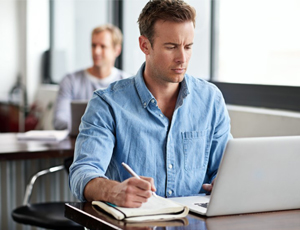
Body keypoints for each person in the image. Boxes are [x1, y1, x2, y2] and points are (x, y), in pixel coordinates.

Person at [69, 0, 232, 208]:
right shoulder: (107, 103)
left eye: (188, 46)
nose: (182, 58)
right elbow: (82, 173)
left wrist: (225, 181)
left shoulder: (211, 100)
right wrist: (114, 190)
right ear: (145, 45)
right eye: (171, 47)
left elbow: (224, 168)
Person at [53, 24, 129, 130]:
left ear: (117, 50)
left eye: (103, 46)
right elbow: (59, 120)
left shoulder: (127, 83)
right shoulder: (70, 80)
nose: (96, 51)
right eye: (93, 45)